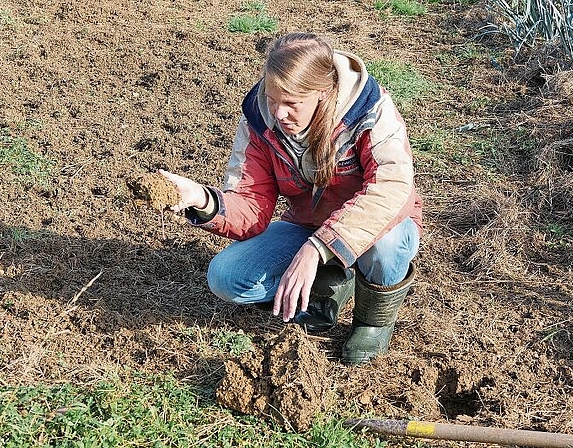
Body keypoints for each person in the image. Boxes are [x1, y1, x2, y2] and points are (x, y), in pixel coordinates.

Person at [161, 32, 423, 365]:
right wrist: (202, 198)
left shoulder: (371, 111)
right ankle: (328, 284)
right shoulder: (259, 121)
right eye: (273, 99)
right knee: (226, 278)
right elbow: (250, 204)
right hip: (308, 223)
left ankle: (373, 323)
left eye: (291, 103)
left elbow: (391, 189)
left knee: (387, 248)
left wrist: (318, 248)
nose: (279, 113)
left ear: (322, 94)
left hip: (381, 226)